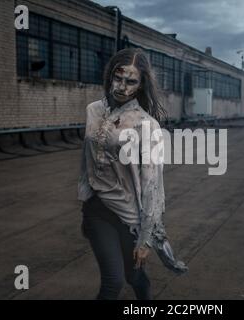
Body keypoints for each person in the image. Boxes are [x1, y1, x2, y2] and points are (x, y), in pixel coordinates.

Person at [77, 48, 188, 300]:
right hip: (98, 209)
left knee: (134, 277)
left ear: (141, 85)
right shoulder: (93, 110)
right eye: (118, 78)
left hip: (132, 218)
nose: (122, 87)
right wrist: (84, 199)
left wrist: (146, 237)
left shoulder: (146, 124)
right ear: (109, 76)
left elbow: (152, 185)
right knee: (112, 283)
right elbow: (87, 159)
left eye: (131, 82)